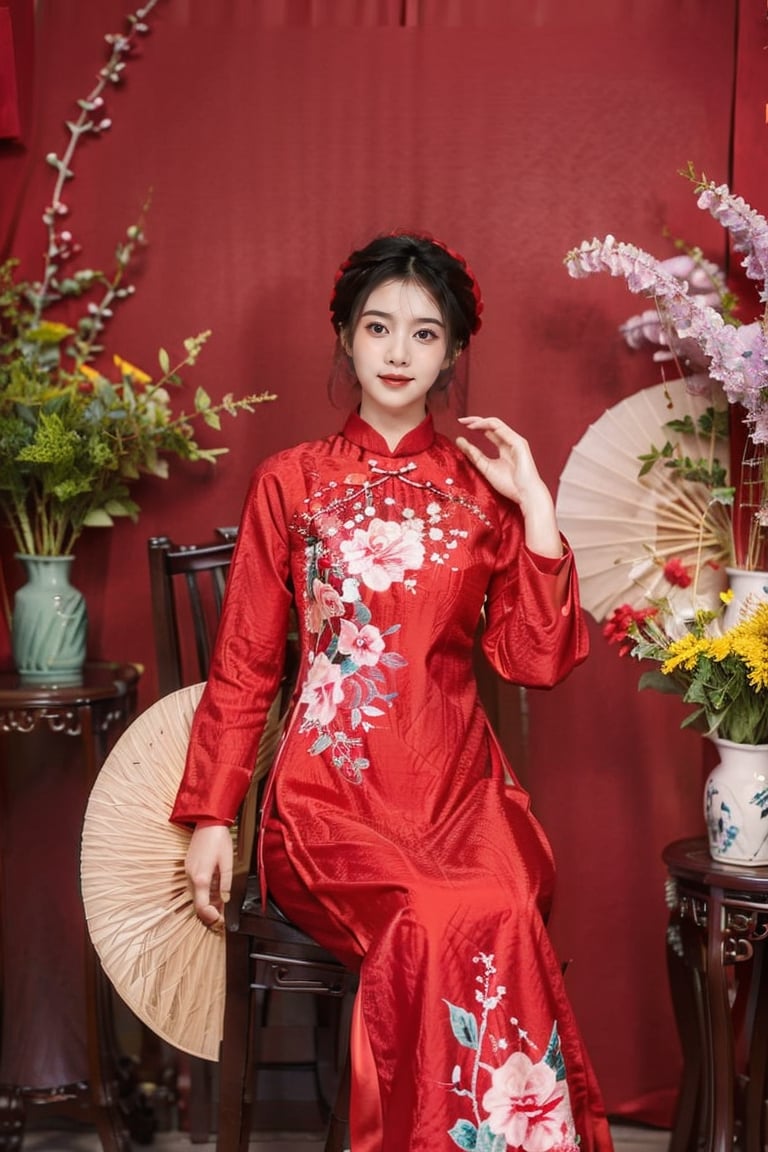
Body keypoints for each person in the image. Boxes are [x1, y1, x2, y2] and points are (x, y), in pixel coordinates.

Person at [171, 232, 613, 1152]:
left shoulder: (480, 492)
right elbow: (247, 660)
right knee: (427, 914)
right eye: (379, 328)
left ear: (452, 353)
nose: (400, 353)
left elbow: (531, 660)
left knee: (493, 904)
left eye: (424, 334)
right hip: (331, 799)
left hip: (461, 792)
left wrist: (535, 506)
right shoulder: (290, 483)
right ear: (344, 336)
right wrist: (213, 814)